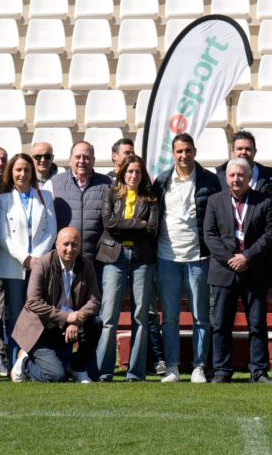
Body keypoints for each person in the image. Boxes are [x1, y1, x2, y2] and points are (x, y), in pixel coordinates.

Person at [205, 157, 272, 382]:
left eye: (241, 175)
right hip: (224, 271)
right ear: (226, 178)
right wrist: (231, 259)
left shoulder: (264, 201)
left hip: (254, 270)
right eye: (232, 175)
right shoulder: (214, 201)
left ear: (249, 177)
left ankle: (259, 371)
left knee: (257, 324)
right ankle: (222, 371)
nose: (236, 179)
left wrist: (247, 257)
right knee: (221, 324)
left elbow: (270, 235)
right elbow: (210, 235)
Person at [154, 132, 220, 383]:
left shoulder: (209, 181)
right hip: (166, 257)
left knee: (200, 316)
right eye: (179, 151)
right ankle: (172, 366)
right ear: (173, 154)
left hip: (198, 257)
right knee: (170, 317)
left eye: (188, 150)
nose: (184, 155)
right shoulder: (162, 181)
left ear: (195, 152)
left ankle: (199, 366)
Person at [11, 226, 101, 383]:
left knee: (96, 323)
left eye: (74, 245)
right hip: (40, 328)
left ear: (80, 246)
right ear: (57, 245)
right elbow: (33, 302)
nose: (70, 249)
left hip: (67, 325)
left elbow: (94, 300)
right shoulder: (42, 264)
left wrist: (76, 320)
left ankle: (77, 367)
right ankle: (24, 363)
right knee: (56, 376)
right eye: (66, 244)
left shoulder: (86, 265)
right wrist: (67, 317)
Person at [98, 153, 159, 380]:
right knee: (108, 316)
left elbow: (152, 229)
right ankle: (104, 371)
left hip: (141, 258)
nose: (134, 175)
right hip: (114, 256)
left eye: (138, 172)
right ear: (122, 172)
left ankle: (136, 372)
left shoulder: (150, 197)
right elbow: (109, 223)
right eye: (130, 171)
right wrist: (138, 224)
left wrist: (126, 226)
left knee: (141, 317)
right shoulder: (110, 193)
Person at [0, 151, 55, 370]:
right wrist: (25, 258)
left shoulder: (45, 196)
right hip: (13, 266)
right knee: (16, 316)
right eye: (18, 170)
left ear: (32, 172)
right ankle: (14, 363)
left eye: (26, 170)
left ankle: (35, 362)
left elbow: (51, 230)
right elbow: (2, 236)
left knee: (38, 314)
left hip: (39, 265)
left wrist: (36, 258)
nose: (22, 174)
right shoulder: (3, 199)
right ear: (11, 172)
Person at [50, 141, 109, 263]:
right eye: (78, 157)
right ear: (70, 160)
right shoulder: (53, 183)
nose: (82, 161)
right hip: (64, 260)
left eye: (86, 157)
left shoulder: (107, 184)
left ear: (93, 160)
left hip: (97, 259)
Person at [217, 129, 272, 201]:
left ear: (255, 152)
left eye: (248, 149)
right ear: (233, 151)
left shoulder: (269, 176)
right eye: (239, 149)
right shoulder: (220, 176)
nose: (243, 152)